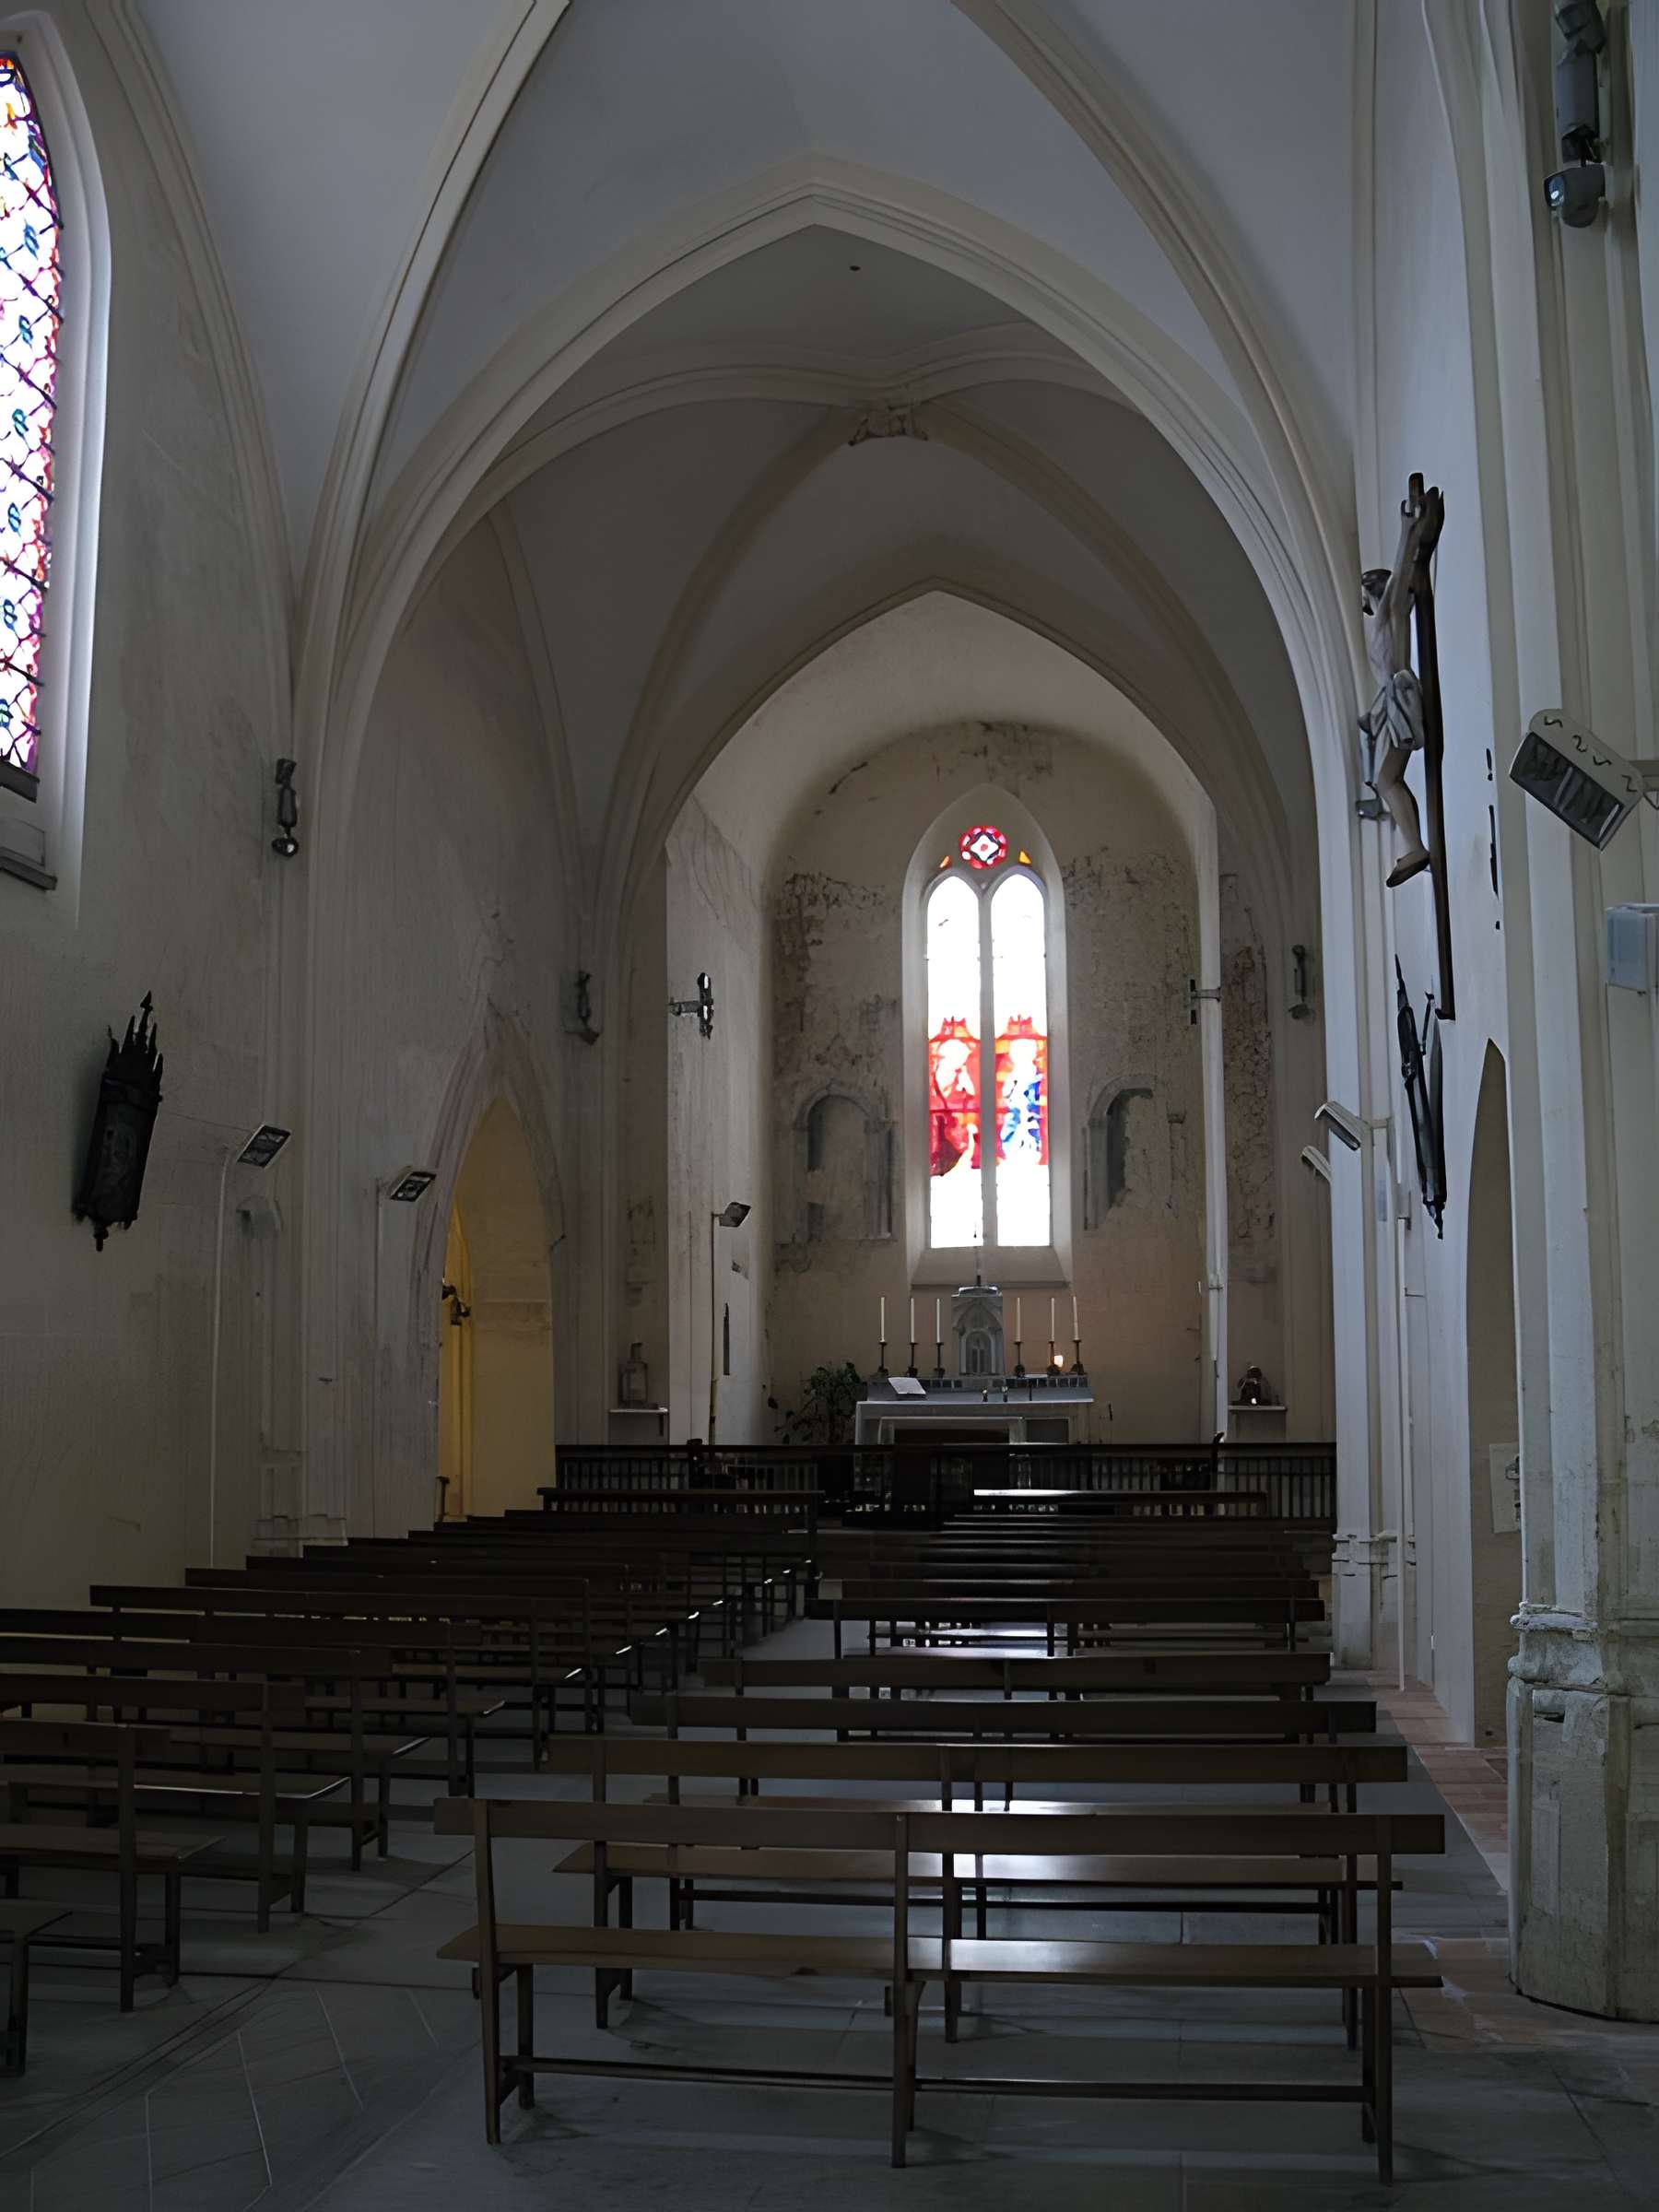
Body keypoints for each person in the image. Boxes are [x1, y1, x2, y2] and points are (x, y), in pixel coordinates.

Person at [1361, 479, 1443, 888]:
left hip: (1400, 700)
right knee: (1386, 779)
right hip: (1395, 702)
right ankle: (1413, 846)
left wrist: (1407, 531)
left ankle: (1414, 848)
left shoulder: (1386, 617)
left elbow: (1400, 578)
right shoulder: (1385, 621)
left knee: (1386, 779)